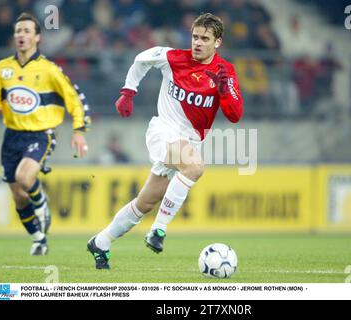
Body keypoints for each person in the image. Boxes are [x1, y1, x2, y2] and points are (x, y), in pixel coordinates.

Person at [87, 13, 243, 269]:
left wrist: (225, 90)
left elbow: (235, 115)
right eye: (195, 37)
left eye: (205, 38)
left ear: (218, 42)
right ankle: (158, 231)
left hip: (190, 141)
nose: (198, 43)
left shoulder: (225, 71)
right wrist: (128, 92)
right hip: (163, 131)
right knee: (195, 168)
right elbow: (141, 59)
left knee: (144, 203)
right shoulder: (174, 57)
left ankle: (100, 242)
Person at [0, 13, 91, 255]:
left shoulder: (49, 70)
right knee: (17, 195)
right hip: (12, 136)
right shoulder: (3, 68)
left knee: (25, 178)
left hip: (40, 134)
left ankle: (41, 202)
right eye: (17, 31)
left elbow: (75, 98)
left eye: (26, 31)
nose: (21, 35)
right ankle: (38, 239)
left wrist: (79, 129)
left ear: (37, 37)